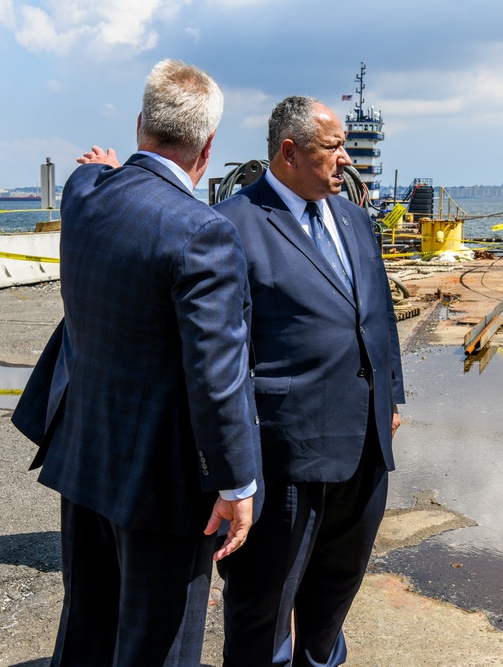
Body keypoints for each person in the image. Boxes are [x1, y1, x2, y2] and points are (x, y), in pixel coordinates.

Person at [11, 59, 261, 667]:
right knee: (159, 646)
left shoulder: (85, 197)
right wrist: (237, 482)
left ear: (140, 123)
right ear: (208, 149)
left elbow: (92, 175)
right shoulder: (203, 232)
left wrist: (107, 165)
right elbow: (216, 375)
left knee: (88, 630)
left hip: (86, 459)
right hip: (163, 487)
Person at [211, 96, 405, 667]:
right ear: (290, 152)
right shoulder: (233, 226)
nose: (345, 159)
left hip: (364, 444)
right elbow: (219, 355)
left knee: (335, 595)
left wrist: (391, 393)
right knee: (264, 604)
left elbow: (378, 314)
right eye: (333, 148)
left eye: (347, 145)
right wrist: (230, 461)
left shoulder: (351, 218)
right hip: (285, 452)